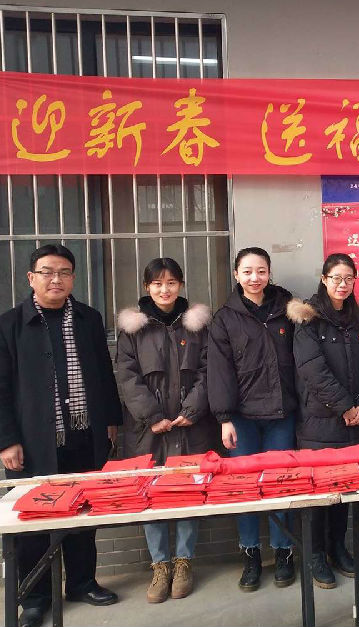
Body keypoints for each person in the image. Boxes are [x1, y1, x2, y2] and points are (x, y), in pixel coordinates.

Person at [0, 244, 122, 627]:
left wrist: (110, 420)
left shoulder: (89, 319)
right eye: (47, 272)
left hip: (83, 435)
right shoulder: (7, 326)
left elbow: (104, 374)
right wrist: (5, 440)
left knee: (82, 515)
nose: (55, 279)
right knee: (33, 522)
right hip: (33, 443)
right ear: (32, 278)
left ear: (73, 278)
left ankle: (81, 582)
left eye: (64, 272)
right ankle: (35, 597)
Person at [116, 258, 213, 603]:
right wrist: (151, 415)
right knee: (151, 494)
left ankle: (183, 561)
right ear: (147, 287)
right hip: (149, 429)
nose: (165, 289)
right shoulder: (133, 329)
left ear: (181, 285)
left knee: (188, 491)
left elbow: (209, 370)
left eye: (171, 282)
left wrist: (192, 410)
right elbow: (127, 376)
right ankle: (160, 565)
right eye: (157, 283)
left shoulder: (197, 324)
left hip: (190, 425)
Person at [207, 247, 298, 591]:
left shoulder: (288, 309)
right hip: (241, 418)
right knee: (244, 488)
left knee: (279, 483)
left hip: (281, 414)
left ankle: (284, 552)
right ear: (236, 275)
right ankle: (250, 554)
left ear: (269, 273)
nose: (254, 278)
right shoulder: (225, 318)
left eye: (261, 271)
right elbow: (219, 371)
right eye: (247, 271)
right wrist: (224, 418)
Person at [287, 253, 359, 589]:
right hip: (318, 421)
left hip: (353, 423)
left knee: (344, 490)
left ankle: (338, 547)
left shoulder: (357, 320)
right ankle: (315, 555)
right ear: (324, 279)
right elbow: (312, 370)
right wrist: (344, 406)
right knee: (317, 493)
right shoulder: (308, 319)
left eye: (349, 278)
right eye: (336, 278)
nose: (342, 284)